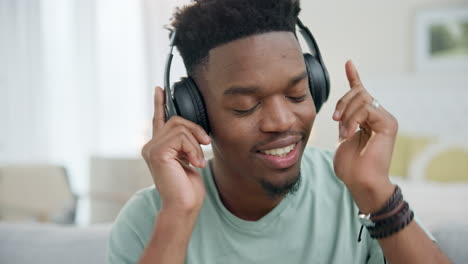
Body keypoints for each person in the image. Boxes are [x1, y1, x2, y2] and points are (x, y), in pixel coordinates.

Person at [107, 0, 451, 263]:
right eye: (245, 105)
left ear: (316, 86)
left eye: (297, 94)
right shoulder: (147, 219)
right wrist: (177, 216)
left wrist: (377, 192)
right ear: (192, 113)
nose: (283, 121)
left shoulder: (357, 193)